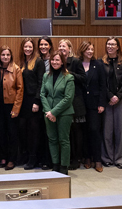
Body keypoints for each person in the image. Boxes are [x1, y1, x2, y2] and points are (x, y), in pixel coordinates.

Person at [41, 52, 75, 175]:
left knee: (63, 140)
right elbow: (42, 94)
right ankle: (55, 164)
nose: (54, 62)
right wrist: (48, 112)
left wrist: (53, 112)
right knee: (52, 139)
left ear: (62, 62)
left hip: (64, 113)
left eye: (57, 60)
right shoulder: (46, 76)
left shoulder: (69, 77)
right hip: (48, 112)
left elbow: (68, 98)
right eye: (53, 60)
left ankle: (64, 166)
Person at [57, 40, 87, 171]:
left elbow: (83, 78)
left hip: (75, 102)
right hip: (62, 102)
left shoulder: (75, 62)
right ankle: (66, 158)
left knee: (76, 132)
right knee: (66, 133)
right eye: (60, 46)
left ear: (69, 48)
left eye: (64, 46)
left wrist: (69, 73)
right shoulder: (57, 61)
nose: (61, 48)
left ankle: (76, 159)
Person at [101, 37, 122, 168]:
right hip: (106, 99)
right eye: (108, 44)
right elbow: (101, 81)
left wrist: (117, 96)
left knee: (121, 130)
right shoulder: (101, 62)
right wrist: (110, 96)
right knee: (107, 130)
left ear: (118, 47)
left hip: (121, 99)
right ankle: (107, 158)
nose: (110, 46)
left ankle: (121, 159)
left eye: (113, 44)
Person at [19, 38, 47, 170]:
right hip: (23, 101)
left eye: (30, 47)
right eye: (25, 47)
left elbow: (41, 82)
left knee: (34, 131)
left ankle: (33, 158)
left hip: (34, 101)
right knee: (24, 130)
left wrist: (37, 101)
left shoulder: (38, 62)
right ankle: (26, 156)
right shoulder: (22, 61)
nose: (28, 49)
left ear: (34, 48)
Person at [78, 41, 106, 171]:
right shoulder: (77, 64)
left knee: (95, 130)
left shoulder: (98, 65)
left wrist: (101, 103)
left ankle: (97, 159)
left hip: (95, 104)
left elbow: (103, 85)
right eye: (87, 49)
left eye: (91, 49)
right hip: (81, 103)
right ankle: (87, 157)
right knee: (84, 131)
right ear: (82, 50)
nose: (90, 51)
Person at [0, 45, 24, 170]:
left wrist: (16, 109)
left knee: (12, 134)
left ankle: (12, 159)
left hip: (11, 106)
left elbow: (20, 90)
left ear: (11, 56)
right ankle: (3, 157)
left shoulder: (16, 69)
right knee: (0, 133)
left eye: (8, 55)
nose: (5, 57)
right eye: (3, 55)